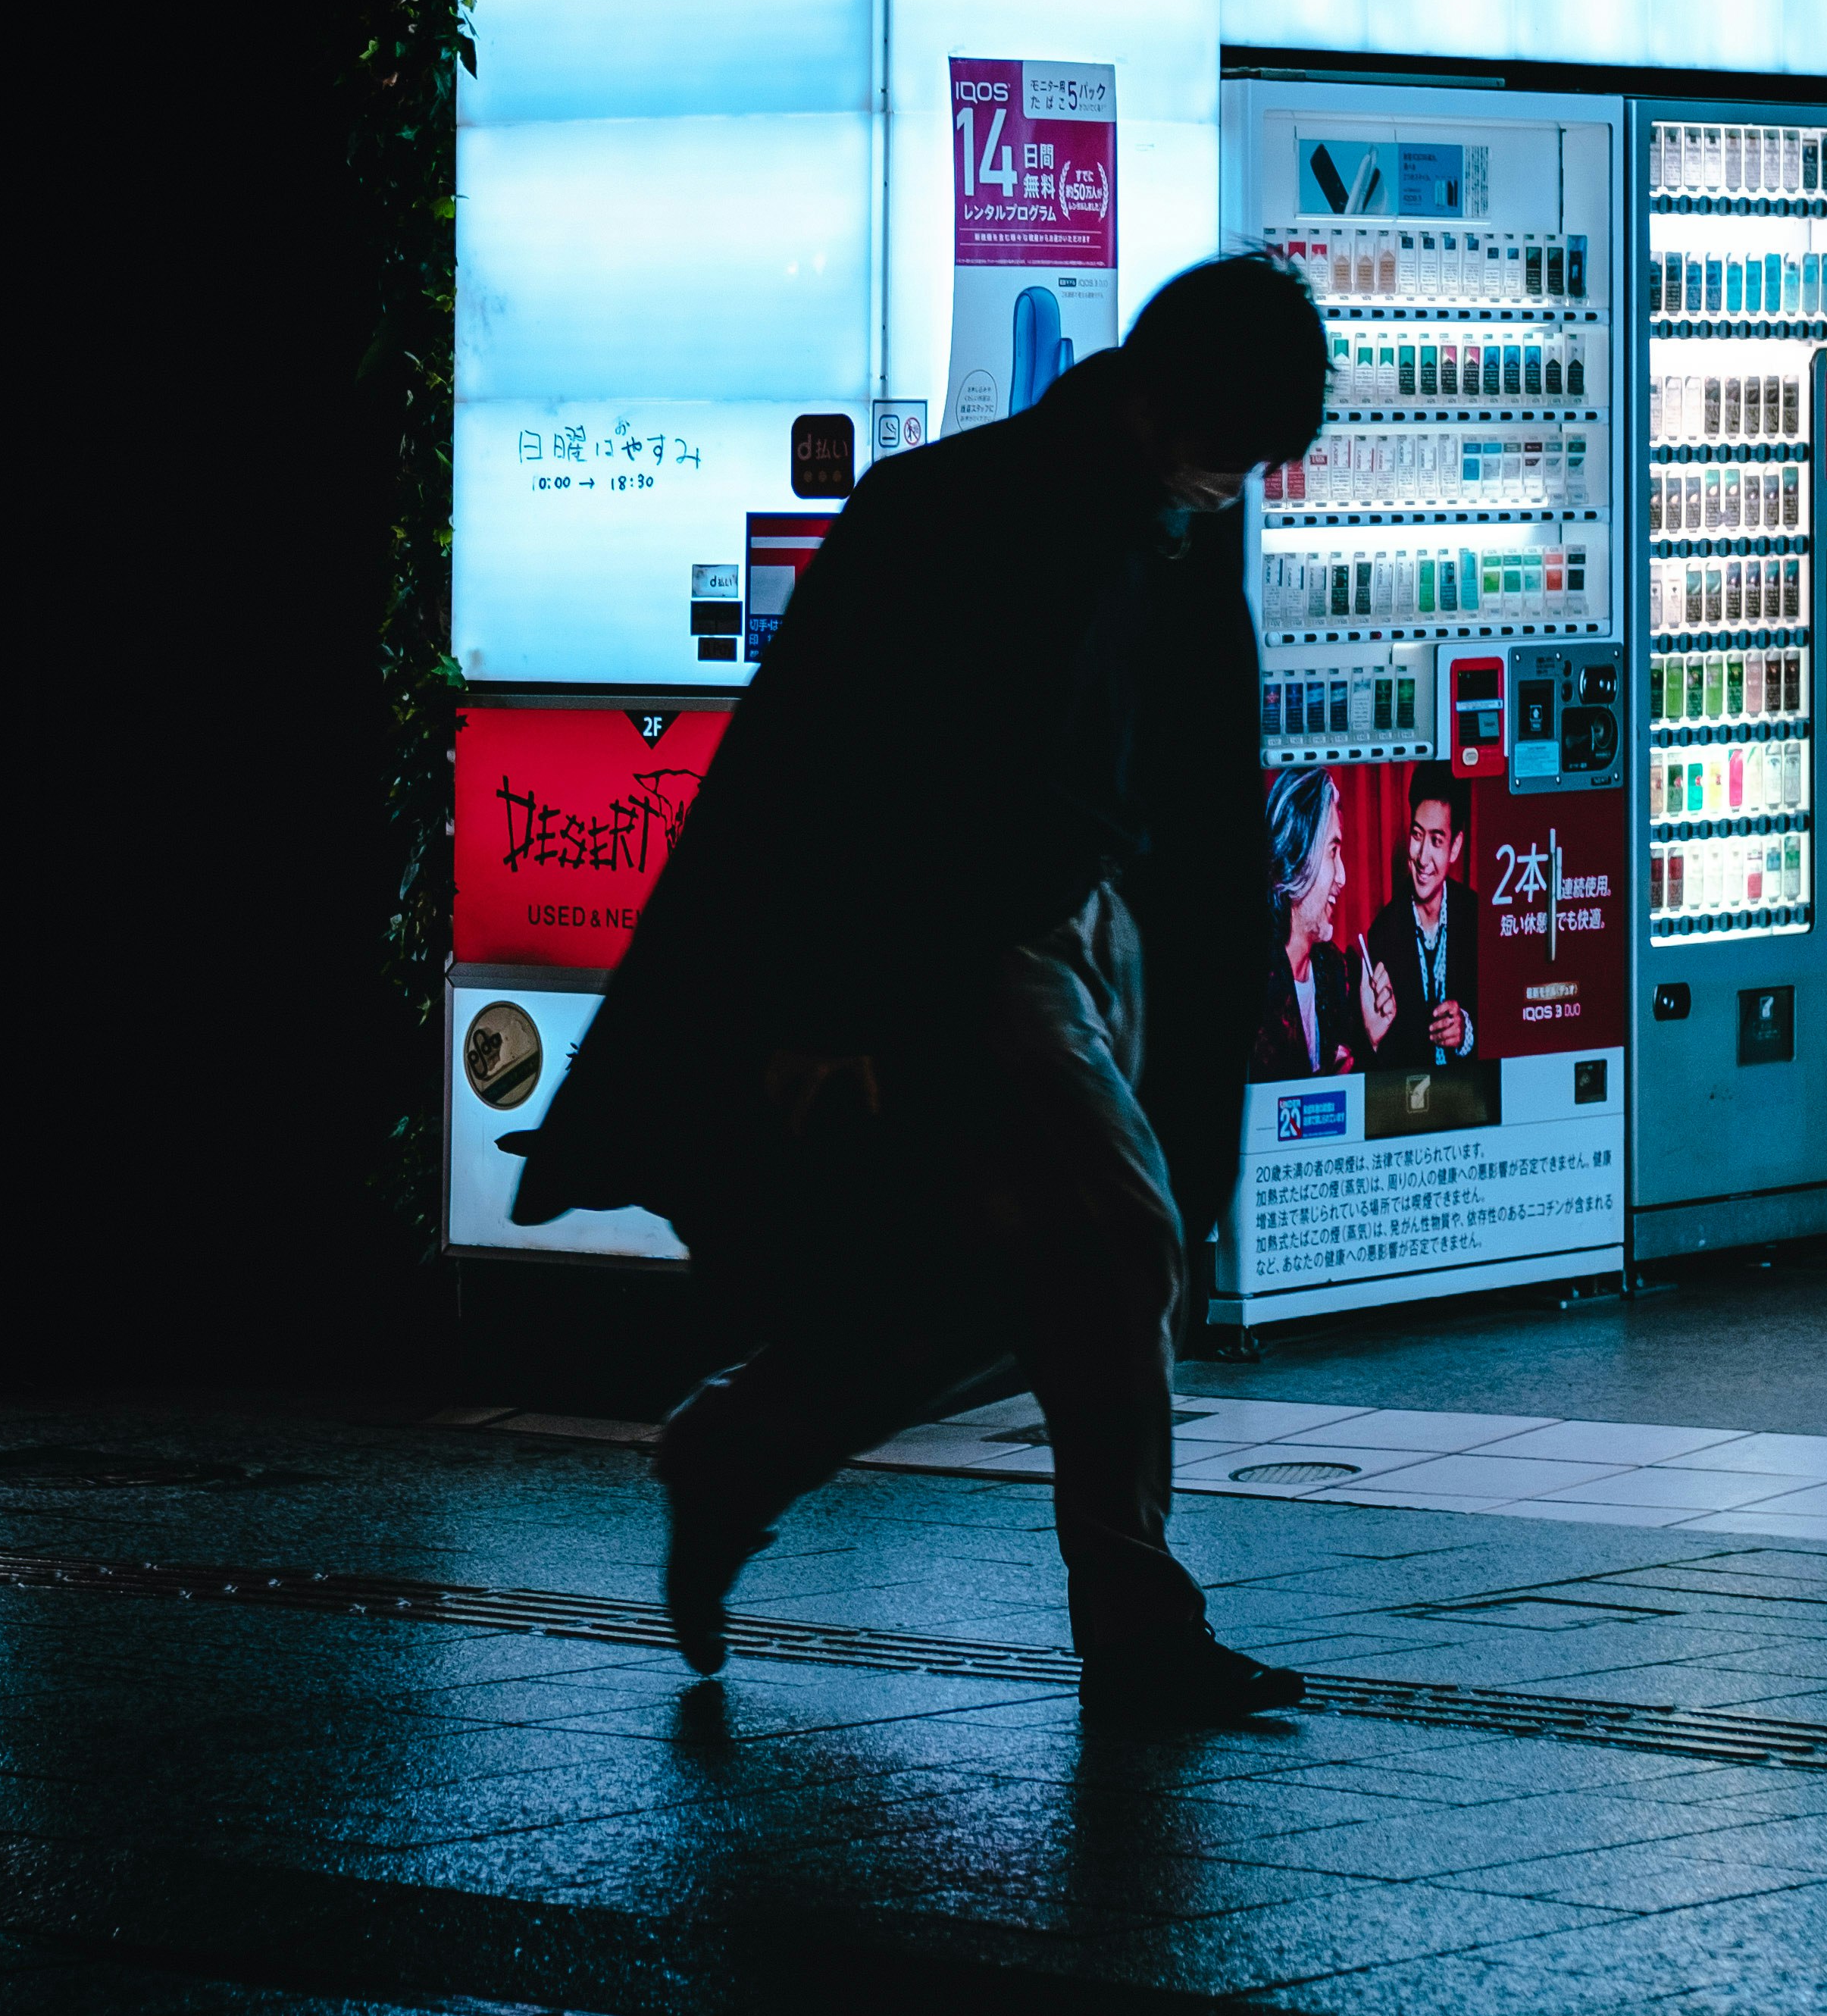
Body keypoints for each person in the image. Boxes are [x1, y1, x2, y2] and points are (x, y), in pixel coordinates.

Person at [504, 251, 1330, 1724]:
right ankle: (1134, 1625)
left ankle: (741, 1449)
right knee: (1119, 1239)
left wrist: (1229, 965)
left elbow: (1200, 785)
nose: (1233, 486)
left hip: (1072, 932)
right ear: (1160, 405)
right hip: (965, 949)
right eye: (1229, 452)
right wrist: (823, 1008)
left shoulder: (1160, 519)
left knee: (1014, 1278)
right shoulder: (960, 510)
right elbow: (815, 781)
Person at [1250, 772, 1396, 1079]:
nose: (1342, 876)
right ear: (1296, 857)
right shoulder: (1258, 986)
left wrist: (1371, 1037)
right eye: (1333, 850)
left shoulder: (1336, 970)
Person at [1366, 763, 1478, 1070]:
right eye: (1417, 835)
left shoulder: (1477, 917)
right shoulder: (1382, 934)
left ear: (1455, 847)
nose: (1422, 856)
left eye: (1437, 840)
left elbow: (1507, 1020)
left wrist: (1468, 1031)